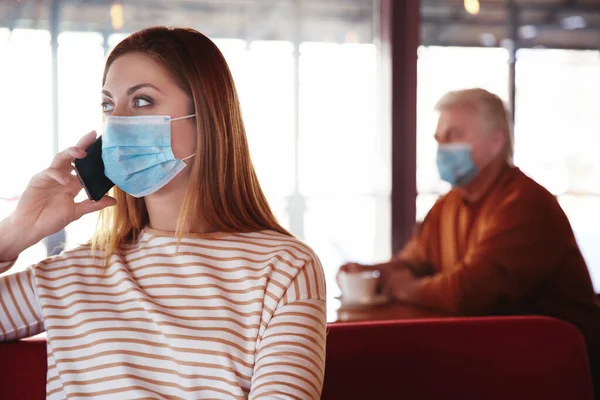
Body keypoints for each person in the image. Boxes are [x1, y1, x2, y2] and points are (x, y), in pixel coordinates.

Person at [0, 27, 326, 400]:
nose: (117, 122)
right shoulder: (71, 274)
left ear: (205, 119)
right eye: (108, 105)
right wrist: (15, 231)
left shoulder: (285, 268)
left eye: (141, 102)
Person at [339, 88, 600, 389]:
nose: (441, 148)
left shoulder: (525, 204)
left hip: (557, 371)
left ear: (496, 142)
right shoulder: (449, 204)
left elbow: (467, 293)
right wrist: (370, 273)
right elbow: (414, 260)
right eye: (438, 139)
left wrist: (403, 287)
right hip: (491, 358)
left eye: (452, 136)